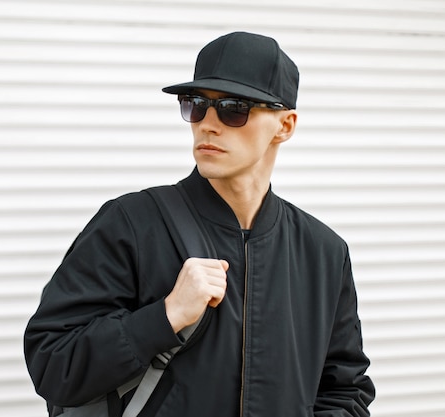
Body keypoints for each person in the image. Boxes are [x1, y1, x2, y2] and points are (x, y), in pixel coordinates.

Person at [24, 31, 375, 417]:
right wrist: (165, 316)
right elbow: (53, 365)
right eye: (195, 105)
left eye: (233, 108)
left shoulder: (322, 251)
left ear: (285, 125)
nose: (208, 124)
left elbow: (346, 389)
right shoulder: (131, 225)